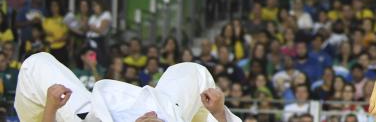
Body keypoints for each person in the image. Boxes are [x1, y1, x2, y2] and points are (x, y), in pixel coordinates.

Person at [14, 52, 241, 122]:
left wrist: (51, 108)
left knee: (36, 64)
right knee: (194, 71)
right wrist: (218, 112)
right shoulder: (164, 115)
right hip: (169, 109)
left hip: (95, 114)